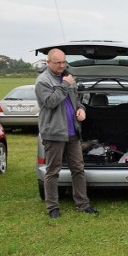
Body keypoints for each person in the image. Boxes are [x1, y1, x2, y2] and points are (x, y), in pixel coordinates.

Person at [35, 48, 99, 218]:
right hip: (54, 133)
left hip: (73, 132)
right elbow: (50, 102)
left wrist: (81, 109)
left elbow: (76, 101)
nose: (62, 66)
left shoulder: (68, 77)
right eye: (58, 63)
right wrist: (65, 85)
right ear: (48, 62)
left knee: (78, 169)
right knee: (52, 171)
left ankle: (83, 204)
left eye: (64, 62)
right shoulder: (43, 81)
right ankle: (52, 208)